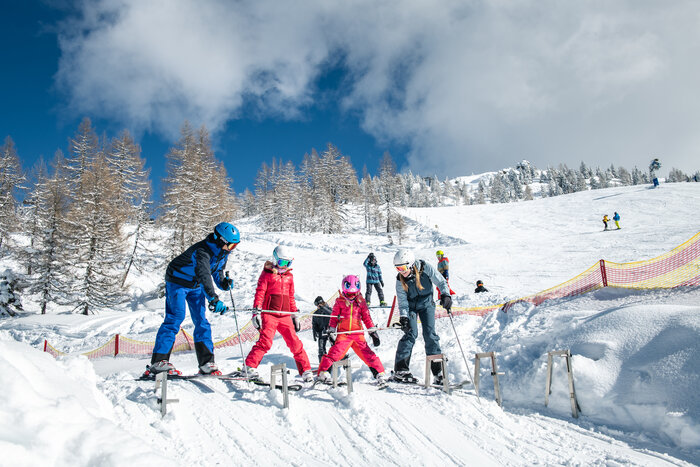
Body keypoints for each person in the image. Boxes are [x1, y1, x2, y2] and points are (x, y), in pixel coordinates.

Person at [143, 222, 240, 378]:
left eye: (235, 246)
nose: (232, 249)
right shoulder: (202, 252)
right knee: (176, 317)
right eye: (230, 245)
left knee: (202, 321)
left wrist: (223, 283)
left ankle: (206, 363)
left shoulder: (223, 253)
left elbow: (217, 271)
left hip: (195, 286)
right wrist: (213, 299)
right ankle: (158, 362)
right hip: (177, 281)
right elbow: (204, 275)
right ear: (220, 240)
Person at [239, 245, 314, 382]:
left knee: (295, 343)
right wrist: (256, 312)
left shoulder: (289, 277)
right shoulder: (267, 274)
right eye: (282, 262)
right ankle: (249, 366)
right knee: (265, 342)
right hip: (269, 314)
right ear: (275, 259)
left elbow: (291, 297)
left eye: (288, 263)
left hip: (285, 315)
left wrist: (294, 315)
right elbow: (260, 293)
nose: (284, 266)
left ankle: (306, 370)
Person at [393, 249, 452, 385]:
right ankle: (401, 370)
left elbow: (441, 281)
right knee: (410, 333)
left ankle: (438, 372)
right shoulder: (400, 279)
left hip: (426, 305)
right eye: (397, 268)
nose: (401, 271)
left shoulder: (425, 268)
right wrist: (404, 317)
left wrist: (445, 295)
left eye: (402, 267)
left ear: (411, 264)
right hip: (411, 307)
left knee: (430, 334)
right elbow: (402, 302)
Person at [317, 275, 387, 385]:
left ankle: (380, 373)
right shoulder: (339, 301)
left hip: (357, 334)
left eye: (354, 294)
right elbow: (334, 318)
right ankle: (324, 372)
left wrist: (372, 332)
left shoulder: (361, 302)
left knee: (367, 354)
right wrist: (331, 330)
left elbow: (367, 318)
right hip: (344, 334)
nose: (351, 296)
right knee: (335, 353)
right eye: (349, 294)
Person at [312, 296, 334, 363]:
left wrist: (324, 308)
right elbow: (314, 324)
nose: (318, 306)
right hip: (322, 331)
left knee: (334, 345)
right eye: (316, 305)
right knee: (321, 348)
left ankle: (338, 360)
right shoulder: (316, 313)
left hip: (331, 331)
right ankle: (323, 363)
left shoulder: (329, 309)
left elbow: (332, 314)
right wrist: (315, 332)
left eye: (319, 304)